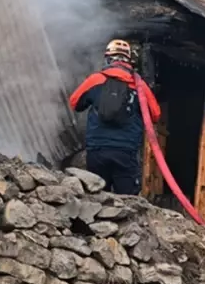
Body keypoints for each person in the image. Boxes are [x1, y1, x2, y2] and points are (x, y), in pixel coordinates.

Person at [68, 39, 160, 195]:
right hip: (126, 152)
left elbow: (74, 102)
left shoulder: (96, 79)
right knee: (128, 202)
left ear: (108, 58)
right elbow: (155, 114)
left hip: (97, 151)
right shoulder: (139, 85)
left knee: (97, 198)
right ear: (129, 60)